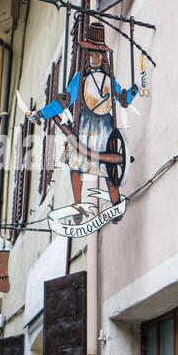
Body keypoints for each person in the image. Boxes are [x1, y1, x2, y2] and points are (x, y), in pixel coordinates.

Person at [27, 24, 138, 224]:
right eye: (89, 53)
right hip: (85, 125)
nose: (91, 57)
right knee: (75, 164)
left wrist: (136, 89)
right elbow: (65, 101)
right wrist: (42, 114)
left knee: (109, 172)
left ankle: (116, 206)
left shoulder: (110, 79)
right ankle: (77, 206)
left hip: (105, 127)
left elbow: (123, 99)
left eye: (95, 53)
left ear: (102, 56)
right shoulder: (80, 78)